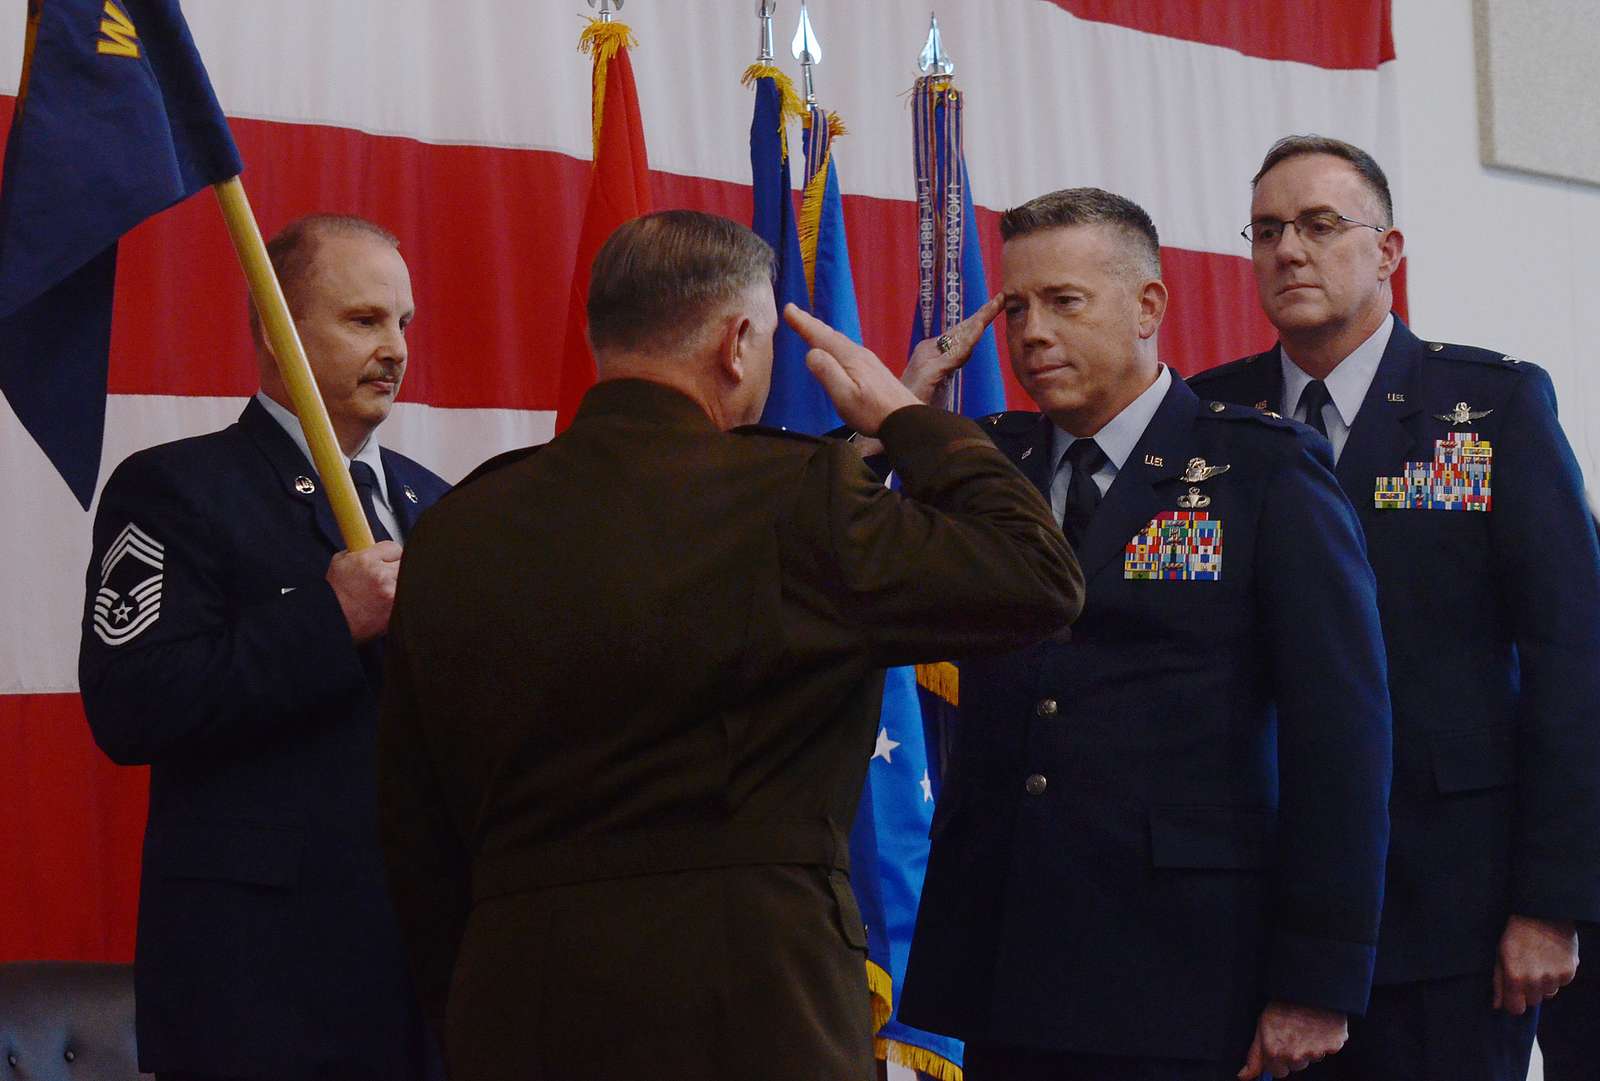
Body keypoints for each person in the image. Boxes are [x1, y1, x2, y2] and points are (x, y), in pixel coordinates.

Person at [375, 209, 1085, 1081]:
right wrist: (905, 416)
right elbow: (1038, 576)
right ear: (738, 341)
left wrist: (475, 1007)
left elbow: (413, 828)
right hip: (755, 1012)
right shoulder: (794, 498)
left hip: (516, 1008)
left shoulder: (454, 527)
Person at [895, 188, 1394, 1081]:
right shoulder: (983, 464)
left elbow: (1343, 738)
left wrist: (1318, 977)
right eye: (1016, 308)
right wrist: (895, 422)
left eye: (1064, 302)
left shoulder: (1261, 471)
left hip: (1183, 967)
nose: (1032, 333)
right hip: (1010, 958)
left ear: (1148, 307)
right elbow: (858, 584)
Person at [1189, 134, 1600, 1081]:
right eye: (1267, 229)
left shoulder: (1490, 408)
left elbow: (1571, 659)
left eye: (1321, 225)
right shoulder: (1211, 422)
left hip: (1449, 908)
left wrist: (1552, 901)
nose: (1288, 249)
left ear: (1388, 251)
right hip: (1254, 905)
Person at [78, 214, 448, 1081]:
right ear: (277, 325)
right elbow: (131, 702)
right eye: (365, 320)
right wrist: (328, 618)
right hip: (259, 996)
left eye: (404, 323)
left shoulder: (439, 507)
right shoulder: (175, 490)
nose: (395, 348)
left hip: (420, 990)